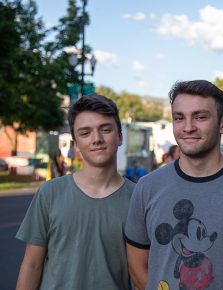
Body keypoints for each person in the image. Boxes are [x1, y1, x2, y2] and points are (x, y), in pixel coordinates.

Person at [125, 80, 223, 290]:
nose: (188, 127)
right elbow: (137, 267)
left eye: (200, 117)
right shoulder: (147, 188)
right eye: (179, 118)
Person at [16, 94, 135, 290]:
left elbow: (142, 272)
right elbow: (31, 266)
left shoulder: (138, 198)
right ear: (76, 144)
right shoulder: (49, 193)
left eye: (105, 129)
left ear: (120, 136)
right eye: (85, 133)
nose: (96, 139)